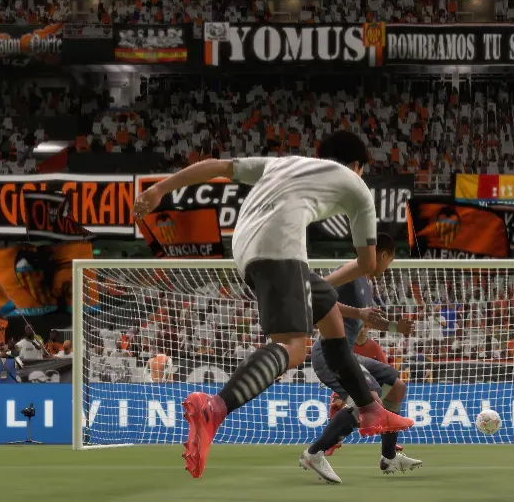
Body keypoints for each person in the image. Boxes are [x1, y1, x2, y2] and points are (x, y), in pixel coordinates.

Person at [132, 130, 412, 478]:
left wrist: (160, 189)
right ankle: (214, 407)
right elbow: (368, 264)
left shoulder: (284, 163)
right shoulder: (357, 187)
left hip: (245, 246)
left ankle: (371, 409)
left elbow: (217, 167)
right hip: (279, 247)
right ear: (358, 165)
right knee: (293, 346)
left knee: (329, 315)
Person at [300, 242, 422, 483]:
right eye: (389, 261)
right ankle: (314, 453)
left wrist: (395, 327)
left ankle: (389, 457)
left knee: (396, 385)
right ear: (382, 255)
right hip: (328, 353)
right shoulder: (349, 274)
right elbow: (316, 297)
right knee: (368, 399)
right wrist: (359, 313)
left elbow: (366, 318)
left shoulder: (367, 283)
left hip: (347, 353)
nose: (387, 267)